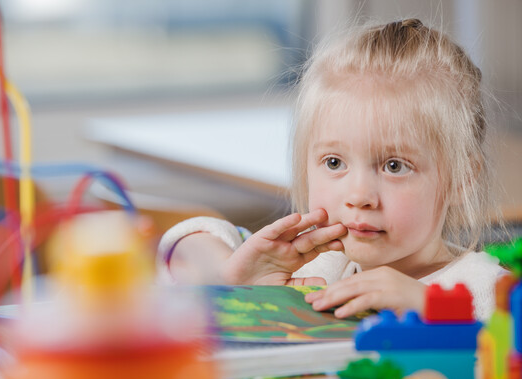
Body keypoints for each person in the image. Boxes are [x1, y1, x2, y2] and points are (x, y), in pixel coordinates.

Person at [156, 19, 508, 321]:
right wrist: (228, 276)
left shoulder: (488, 292)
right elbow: (183, 244)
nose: (359, 197)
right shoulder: (318, 267)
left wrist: (432, 308)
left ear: (461, 179)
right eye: (334, 162)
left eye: (394, 166)